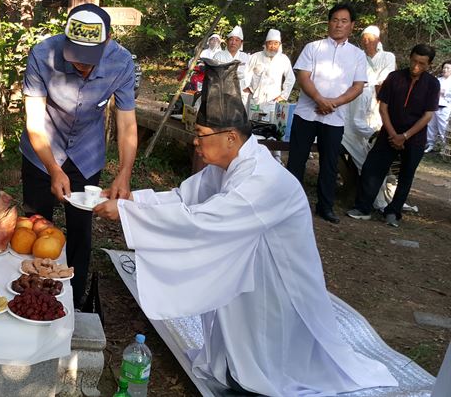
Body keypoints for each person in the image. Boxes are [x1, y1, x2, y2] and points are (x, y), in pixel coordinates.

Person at [94, 60, 397, 396]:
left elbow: (202, 221)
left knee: (271, 358)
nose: (195, 143)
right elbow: (184, 199)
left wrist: (124, 213)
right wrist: (130, 200)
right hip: (249, 265)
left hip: (280, 279)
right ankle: (234, 368)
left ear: (231, 137)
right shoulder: (224, 165)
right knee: (233, 330)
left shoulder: (261, 180)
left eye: (200, 135)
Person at [20, 3, 138, 307]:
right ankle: (29, 292)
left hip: (87, 152)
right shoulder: (43, 54)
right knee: (33, 225)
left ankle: (71, 299)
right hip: (42, 149)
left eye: (88, 61)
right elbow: (34, 121)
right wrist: (52, 168)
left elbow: (126, 123)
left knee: (81, 230)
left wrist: (124, 172)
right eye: (76, 59)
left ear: (108, 39)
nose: (81, 68)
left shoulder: (122, 63)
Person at [287, 2, 367, 224]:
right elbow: (303, 77)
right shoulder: (313, 48)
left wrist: (333, 103)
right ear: (328, 22)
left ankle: (325, 206)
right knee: (296, 160)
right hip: (306, 113)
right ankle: (289, 205)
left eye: (343, 21)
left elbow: (358, 87)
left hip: (334, 118)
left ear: (352, 25)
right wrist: (319, 99)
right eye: (334, 20)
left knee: (330, 164)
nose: (338, 25)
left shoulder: (357, 55)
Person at [347, 44, 440, 227]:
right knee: (372, 168)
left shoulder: (432, 84)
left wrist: (404, 136)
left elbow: (428, 115)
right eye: (414, 61)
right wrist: (392, 134)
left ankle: (393, 211)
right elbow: (383, 107)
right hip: (389, 132)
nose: (416, 66)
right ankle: (363, 207)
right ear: (410, 57)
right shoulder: (395, 77)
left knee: (406, 175)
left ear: (429, 64)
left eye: (421, 63)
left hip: (415, 137)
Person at [341, 25, 396, 208]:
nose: (366, 42)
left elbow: (384, 82)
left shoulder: (387, 57)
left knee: (377, 158)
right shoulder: (359, 58)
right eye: (364, 39)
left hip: (378, 109)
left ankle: (381, 197)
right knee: (366, 159)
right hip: (360, 118)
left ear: (378, 40)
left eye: (370, 39)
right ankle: (372, 199)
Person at [243, 28, 295, 162]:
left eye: (275, 44)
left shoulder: (283, 59)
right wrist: (247, 87)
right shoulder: (255, 56)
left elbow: (290, 78)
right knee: (253, 125)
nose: (272, 46)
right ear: (265, 44)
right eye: (270, 43)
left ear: (279, 45)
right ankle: (252, 156)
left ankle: (276, 157)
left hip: (274, 99)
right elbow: (245, 72)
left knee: (274, 128)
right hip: (256, 98)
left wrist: (283, 96)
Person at [213, 26, 250, 106]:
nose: (233, 42)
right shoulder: (218, 55)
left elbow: (248, 75)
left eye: (237, 40)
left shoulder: (245, 57)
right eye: (231, 39)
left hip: (240, 92)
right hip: (222, 92)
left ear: (241, 43)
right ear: (227, 41)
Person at [425, 60, 451, 153]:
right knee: (431, 126)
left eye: (448, 68)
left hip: (445, 107)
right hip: (434, 106)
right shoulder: (438, 80)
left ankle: (446, 147)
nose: (446, 70)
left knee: (444, 127)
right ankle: (430, 144)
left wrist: (445, 92)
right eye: (444, 68)